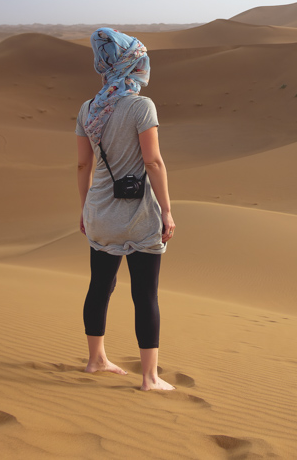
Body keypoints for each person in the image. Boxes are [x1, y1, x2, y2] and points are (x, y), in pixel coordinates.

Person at [75, 27, 176, 391]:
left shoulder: (88, 109)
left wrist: (85, 209)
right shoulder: (140, 106)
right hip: (139, 217)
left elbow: (83, 166)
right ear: (131, 64)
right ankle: (150, 377)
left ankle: (95, 359)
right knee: (145, 294)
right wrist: (166, 211)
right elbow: (153, 162)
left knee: (100, 287)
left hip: (100, 213)